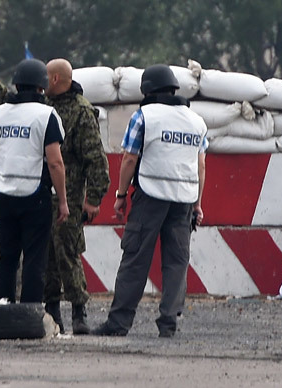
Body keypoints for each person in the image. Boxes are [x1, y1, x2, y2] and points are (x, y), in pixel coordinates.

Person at [0, 59, 110, 334]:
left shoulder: (81, 111)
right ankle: (49, 309)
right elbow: (17, 107)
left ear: (53, 80)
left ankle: (79, 311)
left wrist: (94, 198)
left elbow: (96, 160)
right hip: (42, 193)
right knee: (43, 258)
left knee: (67, 253)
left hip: (69, 193)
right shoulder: (46, 108)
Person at [91, 64, 208, 338]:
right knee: (177, 260)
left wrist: (120, 195)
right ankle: (169, 323)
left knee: (135, 258)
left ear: (147, 90)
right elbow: (200, 165)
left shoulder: (145, 116)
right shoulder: (197, 121)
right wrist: (198, 204)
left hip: (150, 195)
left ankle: (118, 324)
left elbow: (130, 158)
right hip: (184, 201)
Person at [0, 58, 69, 304]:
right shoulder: (46, 115)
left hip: (4, 197)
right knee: (34, 259)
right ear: (42, 87)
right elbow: (55, 162)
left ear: (16, 85)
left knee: (7, 258)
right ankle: (30, 313)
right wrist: (62, 201)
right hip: (36, 197)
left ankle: (2, 308)